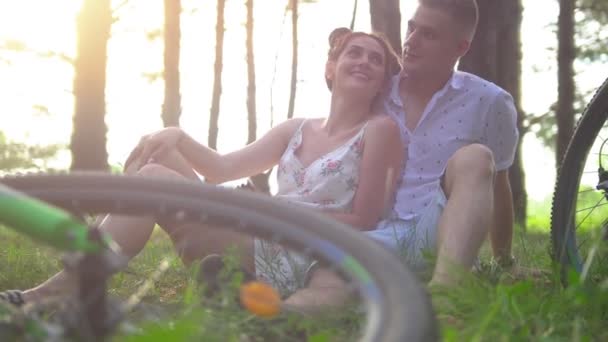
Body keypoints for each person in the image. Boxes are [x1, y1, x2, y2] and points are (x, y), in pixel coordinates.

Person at [0, 29, 404, 310]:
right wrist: (176, 134)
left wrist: (279, 215)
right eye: (355, 52)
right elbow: (222, 168)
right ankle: (89, 268)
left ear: (383, 83)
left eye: (376, 60)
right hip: (256, 230)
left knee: (154, 181)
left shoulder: (379, 130)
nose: (365, 61)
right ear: (331, 67)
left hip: (299, 251)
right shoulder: (295, 129)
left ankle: (57, 290)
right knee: (155, 158)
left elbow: (365, 218)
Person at [365, 0, 520, 286]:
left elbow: (499, 185)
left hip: (437, 235)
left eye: (429, 34)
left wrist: (504, 264)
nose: (411, 41)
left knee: (476, 157)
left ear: (460, 48)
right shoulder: (375, 89)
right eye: (412, 28)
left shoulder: (489, 101)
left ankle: (444, 292)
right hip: (369, 233)